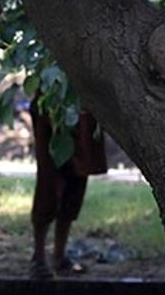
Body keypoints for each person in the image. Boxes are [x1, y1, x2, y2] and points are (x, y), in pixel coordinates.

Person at [28, 98, 108, 279]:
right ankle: (39, 256)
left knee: (77, 181)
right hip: (52, 107)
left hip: (84, 111)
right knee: (49, 181)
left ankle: (59, 255)